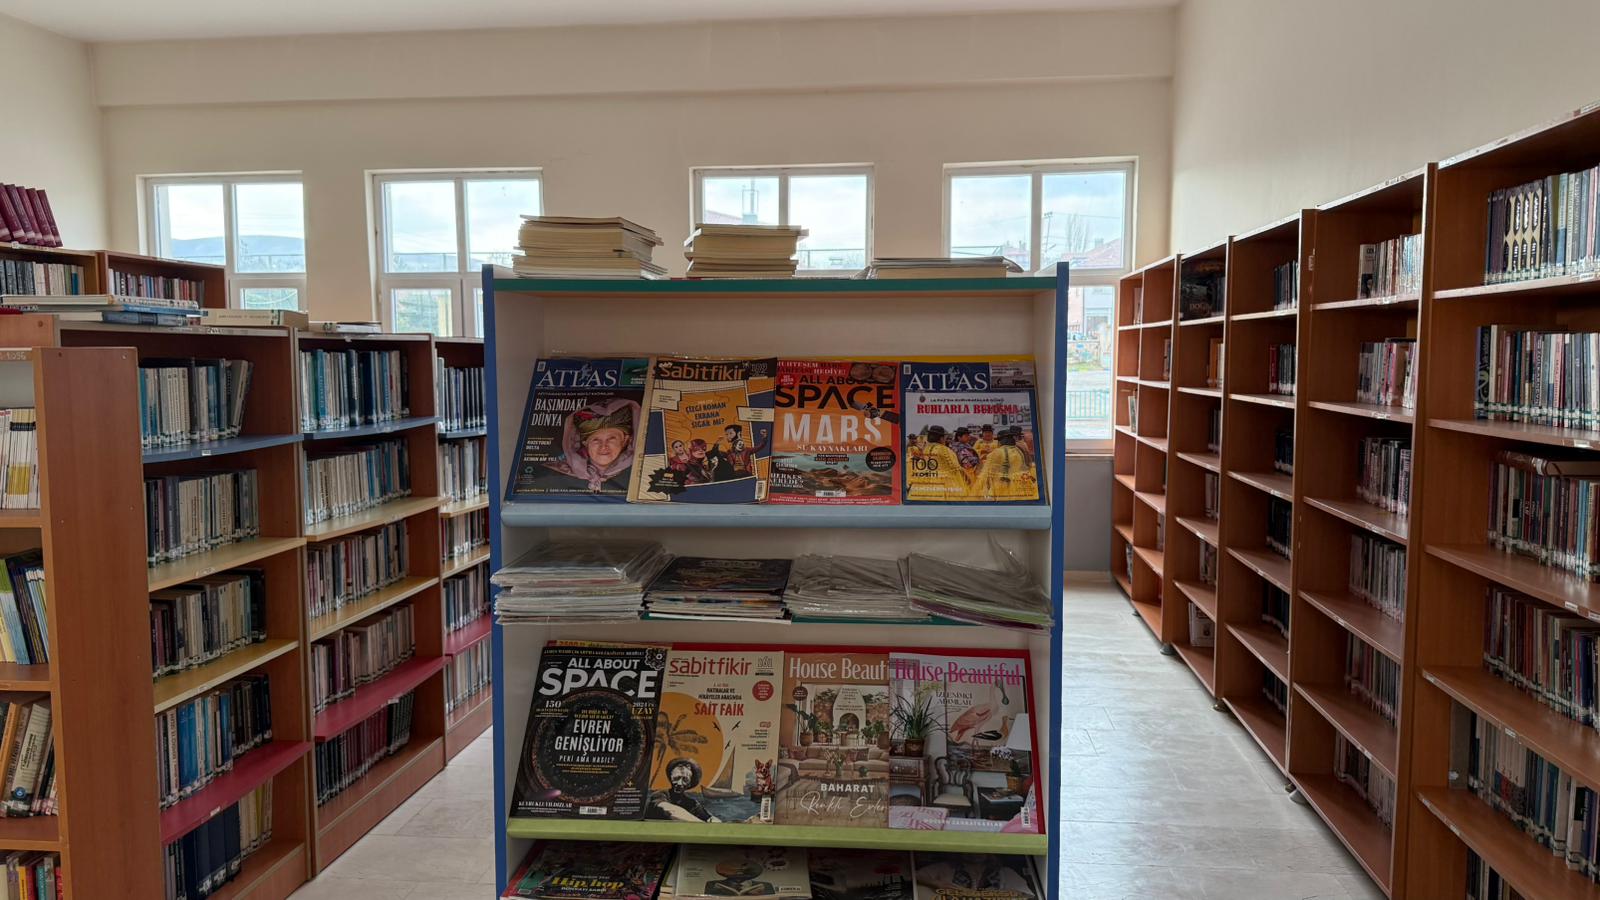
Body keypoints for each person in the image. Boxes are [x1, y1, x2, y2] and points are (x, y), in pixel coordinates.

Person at [529, 397, 638, 494]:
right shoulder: (550, 473)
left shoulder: (639, 472)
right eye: (596, 440)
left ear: (625, 441)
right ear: (585, 443)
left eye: (611, 439)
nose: (603, 446)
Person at [973, 428, 1038, 500]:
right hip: (1020, 485)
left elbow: (987, 474)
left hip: (1003, 486)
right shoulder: (1018, 450)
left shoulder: (997, 452)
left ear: (1001, 441)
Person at [647, 758, 719, 822]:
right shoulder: (659, 795)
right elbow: (671, 811)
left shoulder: (692, 804)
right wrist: (702, 824)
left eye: (685, 780)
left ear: (689, 783)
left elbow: (709, 818)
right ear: (671, 778)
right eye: (676, 778)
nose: (679, 783)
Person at [908, 425, 970, 499]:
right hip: (943, 482)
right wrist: (967, 477)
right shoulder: (944, 449)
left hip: (925, 479)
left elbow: (922, 464)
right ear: (941, 438)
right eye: (944, 437)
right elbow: (955, 467)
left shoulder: (926, 448)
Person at [703, 860, 778, 897]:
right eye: (735, 870)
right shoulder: (713, 885)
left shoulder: (766, 886)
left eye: (743, 870)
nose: (739, 873)